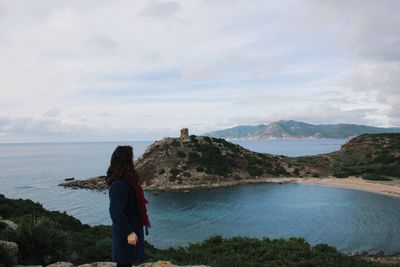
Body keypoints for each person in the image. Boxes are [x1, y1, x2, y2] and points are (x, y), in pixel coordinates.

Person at [106, 145, 151, 267]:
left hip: (132, 229)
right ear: (126, 161)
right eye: (131, 158)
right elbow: (115, 211)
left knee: (127, 263)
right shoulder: (119, 184)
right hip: (126, 233)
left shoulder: (128, 181)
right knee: (124, 263)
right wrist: (128, 232)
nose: (133, 160)